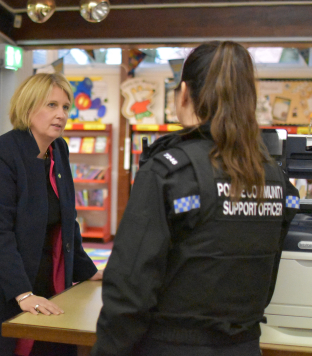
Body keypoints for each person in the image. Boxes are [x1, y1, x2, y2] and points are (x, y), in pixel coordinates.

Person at [91, 41, 300, 356]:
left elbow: (130, 287)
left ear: (185, 92)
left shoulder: (170, 172)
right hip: (244, 345)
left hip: (171, 345)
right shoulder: (276, 179)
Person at [0, 72, 102, 356]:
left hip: (43, 282)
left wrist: (88, 272)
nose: (61, 114)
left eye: (65, 107)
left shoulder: (58, 150)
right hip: (0, 286)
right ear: (28, 108)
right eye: (51, 105)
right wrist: (22, 293)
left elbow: (66, 219)